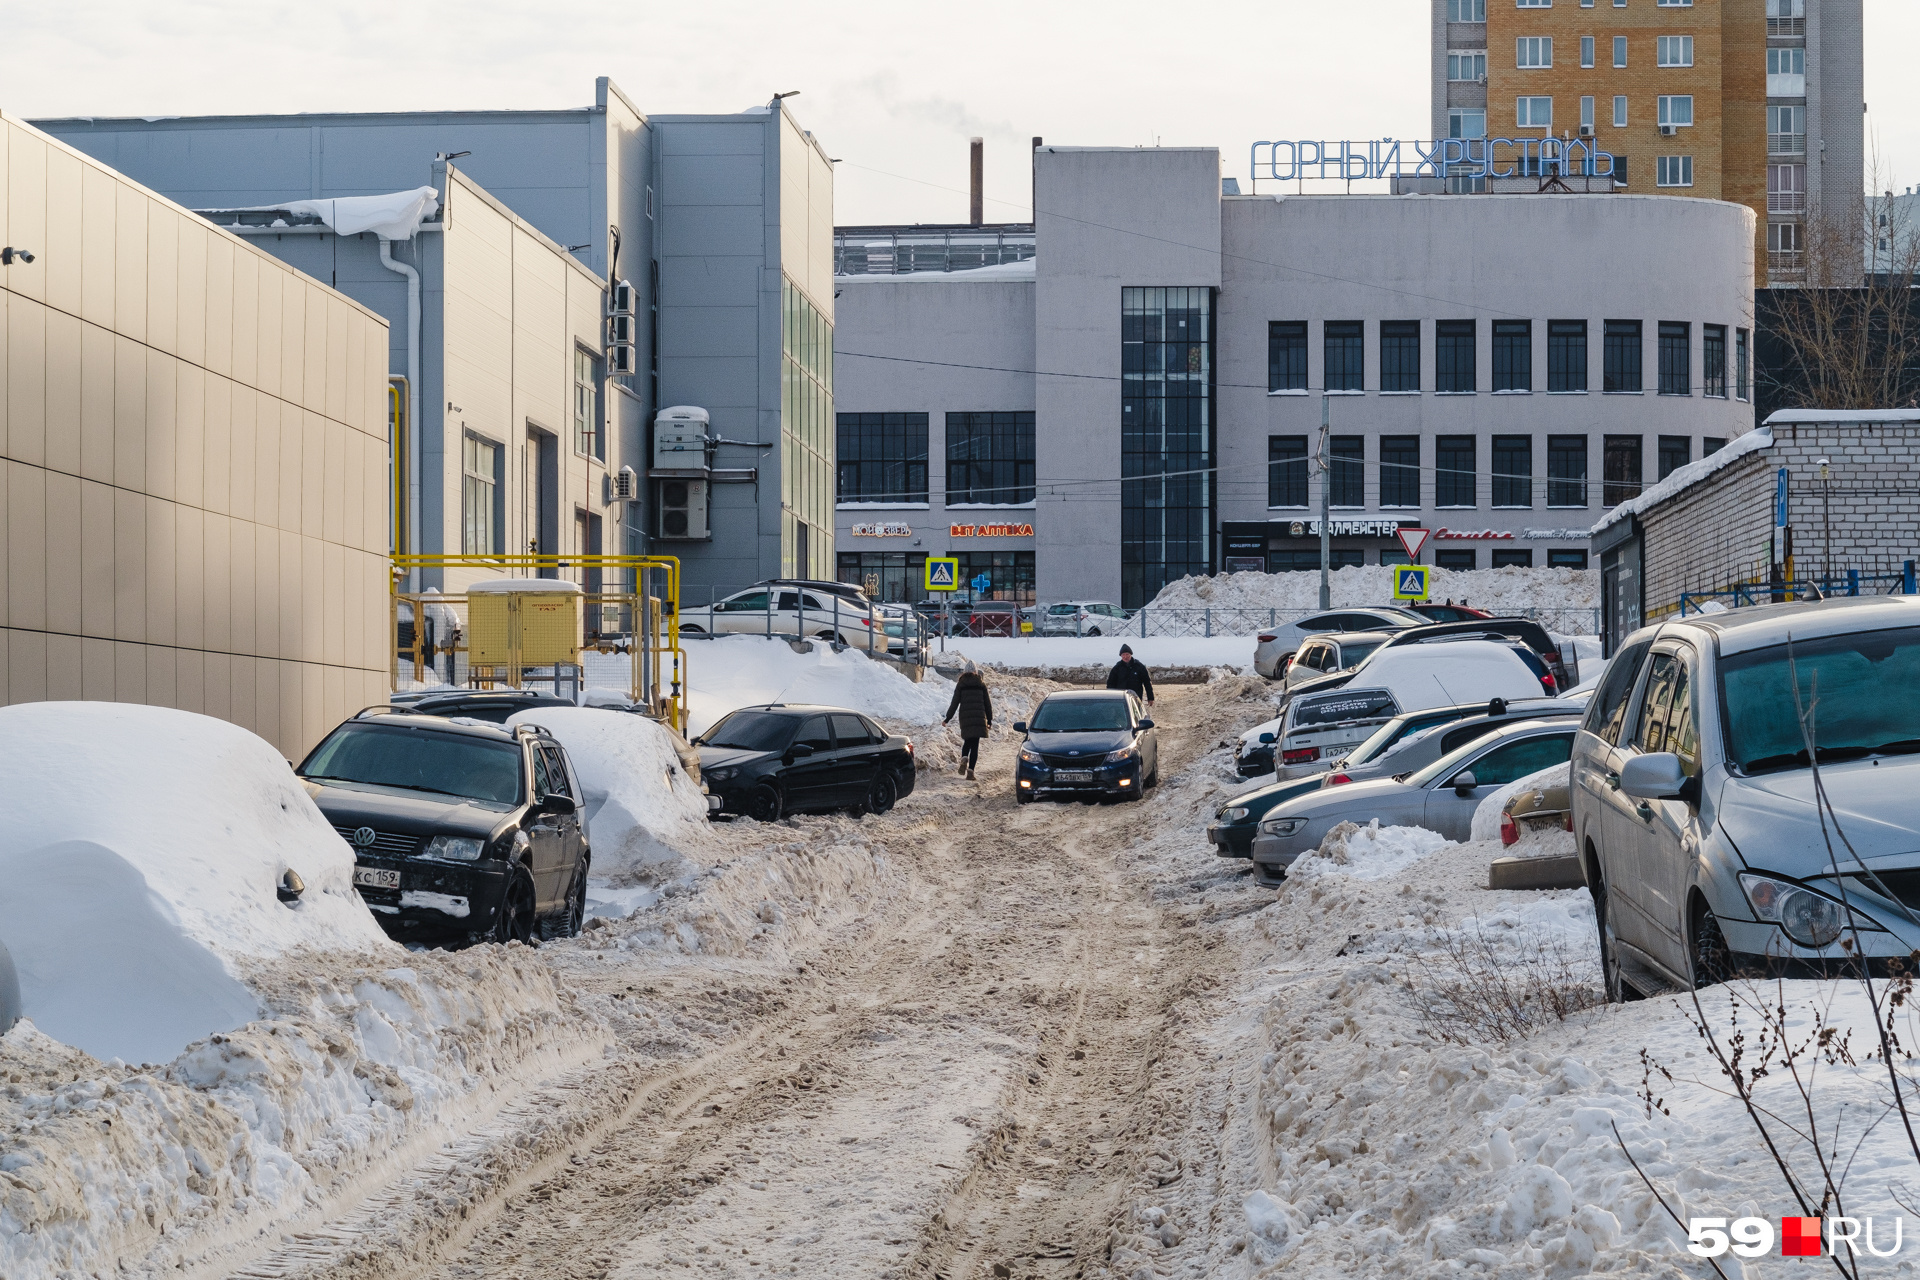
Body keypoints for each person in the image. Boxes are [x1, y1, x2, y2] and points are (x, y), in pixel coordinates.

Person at [943, 667, 993, 780]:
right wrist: (989, 720)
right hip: (979, 717)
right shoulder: (981, 684)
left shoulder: (961, 684)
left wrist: (947, 718)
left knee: (967, 740)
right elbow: (987, 703)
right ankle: (970, 772)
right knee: (975, 745)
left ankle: (964, 757)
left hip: (965, 717)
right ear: (975, 671)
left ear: (965, 671)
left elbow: (954, 703)